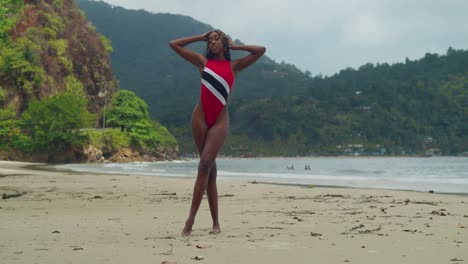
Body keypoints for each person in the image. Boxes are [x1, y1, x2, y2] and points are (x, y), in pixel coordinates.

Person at [169, 30, 266, 236]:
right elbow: (174, 44)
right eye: (210, 40)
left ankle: (193, 221)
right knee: (208, 169)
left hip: (220, 120)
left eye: (216, 39)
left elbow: (260, 51)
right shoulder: (202, 61)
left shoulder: (235, 65)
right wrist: (198, 37)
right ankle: (208, 222)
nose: (212, 42)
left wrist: (237, 46)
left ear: (224, 43)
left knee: (205, 164)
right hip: (200, 118)